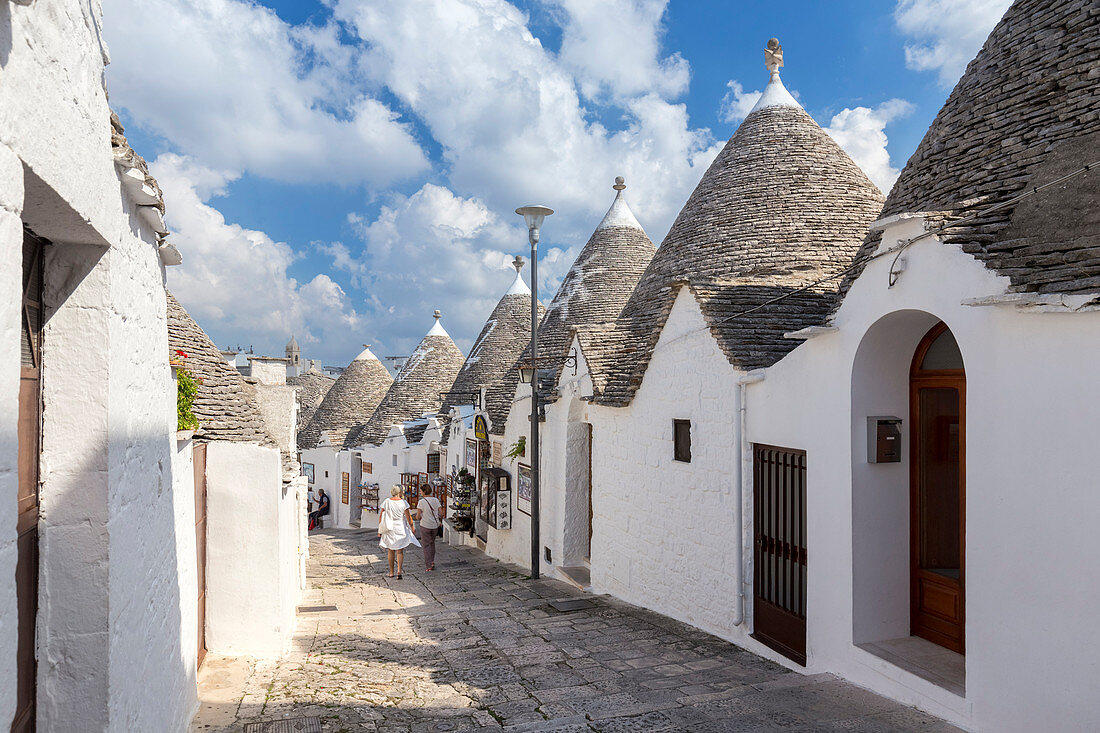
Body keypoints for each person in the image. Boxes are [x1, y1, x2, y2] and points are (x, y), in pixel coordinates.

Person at [378, 485, 419, 578]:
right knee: (400, 551)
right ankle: (399, 571)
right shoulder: (404, 502)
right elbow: (409, 517)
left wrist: (380, 529)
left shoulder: (386, 502)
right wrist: (412, 527)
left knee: (390, 550)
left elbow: (382, 516)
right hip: (400, 527)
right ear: (400, 492)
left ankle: (391, 572)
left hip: (389, 528)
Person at [415, 485, 443, 571]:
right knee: (432, 543)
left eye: (420, 491)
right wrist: (439, 520)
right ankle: (432, 561)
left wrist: (418, 517)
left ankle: (429, 565)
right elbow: (441, 513)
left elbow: (418, 516)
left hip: (425, 525)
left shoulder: (421, 502)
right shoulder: (436, 500)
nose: (420, 492)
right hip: (434, 525)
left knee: (426, 545)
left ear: (423, 492)